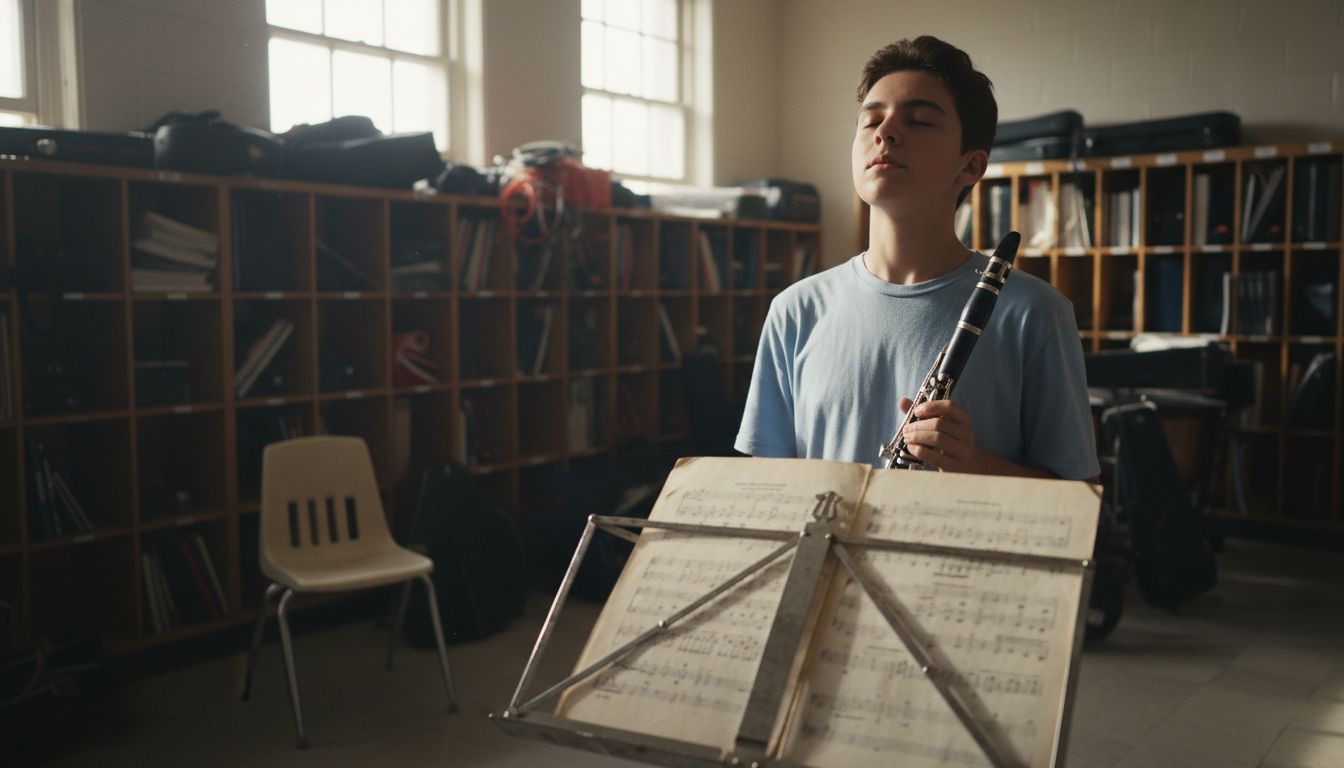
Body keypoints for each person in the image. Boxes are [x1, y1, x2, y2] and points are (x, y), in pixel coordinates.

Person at [735, 35, 1099, 481]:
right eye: (871, 121)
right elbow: (766, 490)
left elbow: (1078, 500)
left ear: (971, 166)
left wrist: (973, 463)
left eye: (921, 121)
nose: (885, 132)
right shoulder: (795, 310)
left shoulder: (1037, 314)